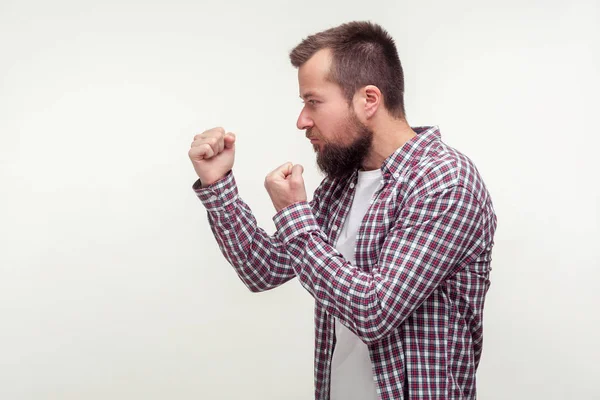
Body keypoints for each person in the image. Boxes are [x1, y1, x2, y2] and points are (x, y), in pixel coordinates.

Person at [189, 21, 497, 400]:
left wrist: (293, 215)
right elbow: (263, 269)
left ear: (369, 100)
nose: (302, 120)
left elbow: (374, 310)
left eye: (313, 101)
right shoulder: (344, 182)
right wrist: (217, 184)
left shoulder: (445, 182)